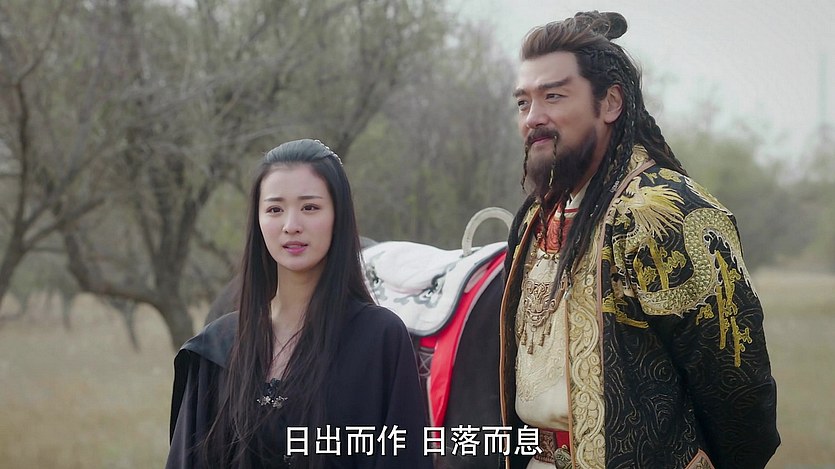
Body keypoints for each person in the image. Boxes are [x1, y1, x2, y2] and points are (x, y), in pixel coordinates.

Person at [499, 11, 779, 469]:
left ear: (611, 102)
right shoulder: (536, 215)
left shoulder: (664, 213)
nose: (534, 118)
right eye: (523, 103)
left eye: (554, 96)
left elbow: (740, 393)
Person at [167, 139, 432, 469]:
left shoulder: (380, 339)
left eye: (310, 208)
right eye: (275, 209)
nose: (291, 225)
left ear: (339, 217)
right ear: (258, 221)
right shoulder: (216, 349)